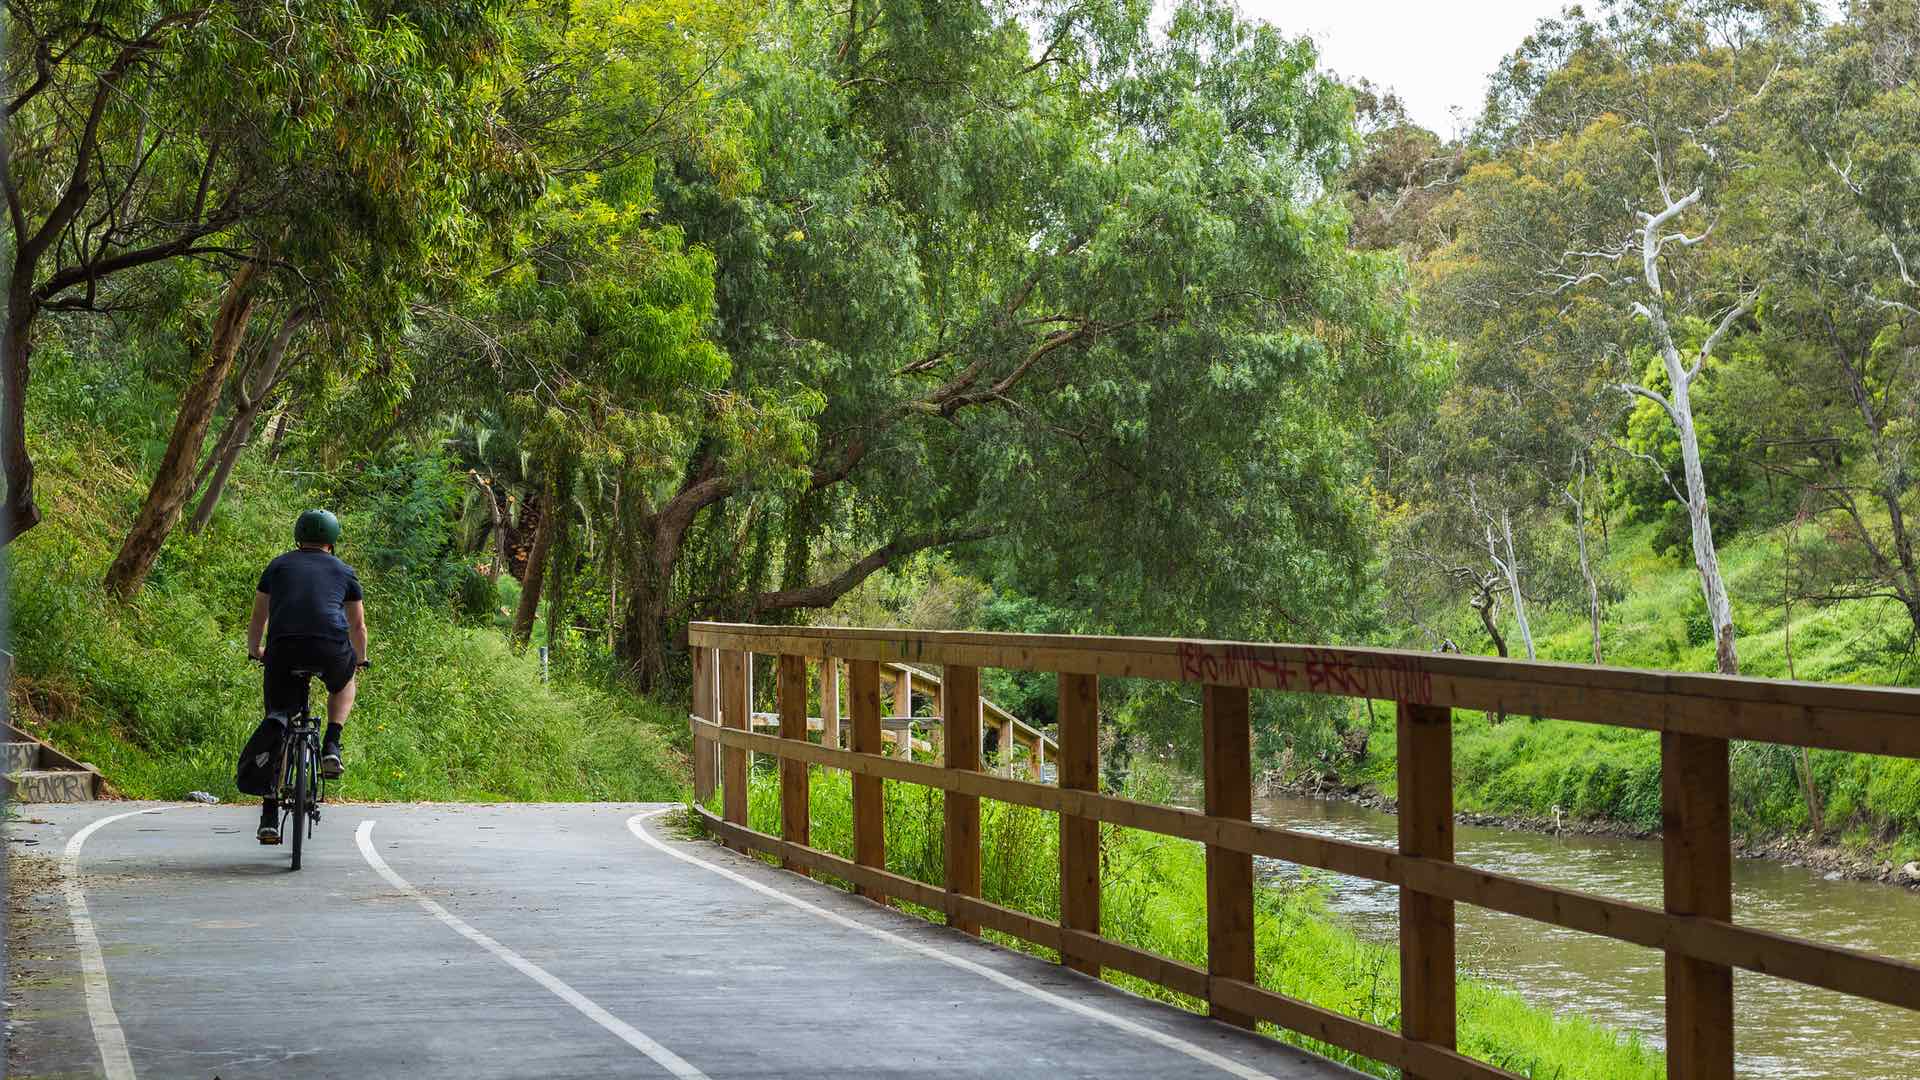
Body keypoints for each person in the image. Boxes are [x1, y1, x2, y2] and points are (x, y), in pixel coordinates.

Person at [245, 509, 369, 844]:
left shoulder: (278, 566)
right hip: (329, 647)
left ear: (298, 537)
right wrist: (361, 659)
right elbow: (357, 626)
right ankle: (332, 742)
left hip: (283, 649)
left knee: (278, 721)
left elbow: (259, 615)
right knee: (344, 681)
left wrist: (255, 649)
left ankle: (269, 815)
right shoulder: (344, 571)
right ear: (333, 540)